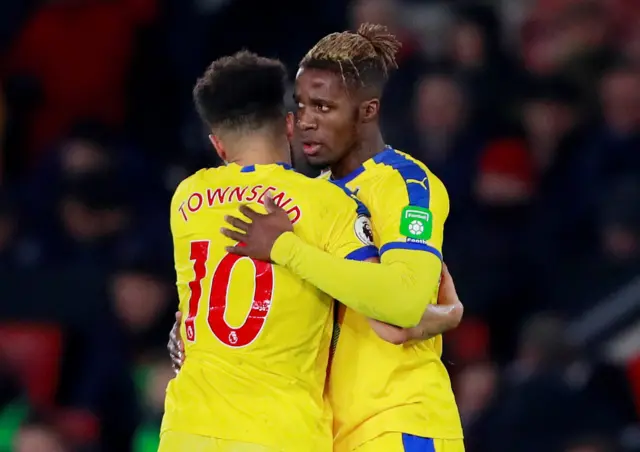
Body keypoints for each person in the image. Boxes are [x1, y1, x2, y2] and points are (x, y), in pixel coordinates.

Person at [221, 24, 464, 452]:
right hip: (325, 432)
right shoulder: (308, 196)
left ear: (367, 110)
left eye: (323, 106)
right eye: (300, 105)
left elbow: (403, 302)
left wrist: (286, 249)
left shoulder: (405, 185)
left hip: (397, 422)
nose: (306, 122)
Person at [159, 50, 383, 452]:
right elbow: (381, 298)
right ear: (290, 125)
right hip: (278, 432)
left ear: (218, 145)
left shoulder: (186, 198)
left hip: (185, 429)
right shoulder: (326, 203)